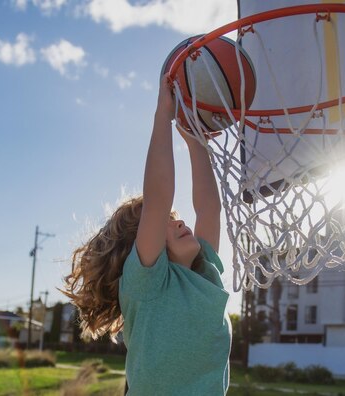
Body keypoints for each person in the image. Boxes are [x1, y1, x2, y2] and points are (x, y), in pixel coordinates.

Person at [62, 75, 231, 395]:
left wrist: (195, 138)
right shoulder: (145, 284)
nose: (178, 221)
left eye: (175, 217)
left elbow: (209, 209)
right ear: (141, 242)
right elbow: (158, 197)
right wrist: (162, 117)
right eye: (163, 221)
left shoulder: (205, 273)